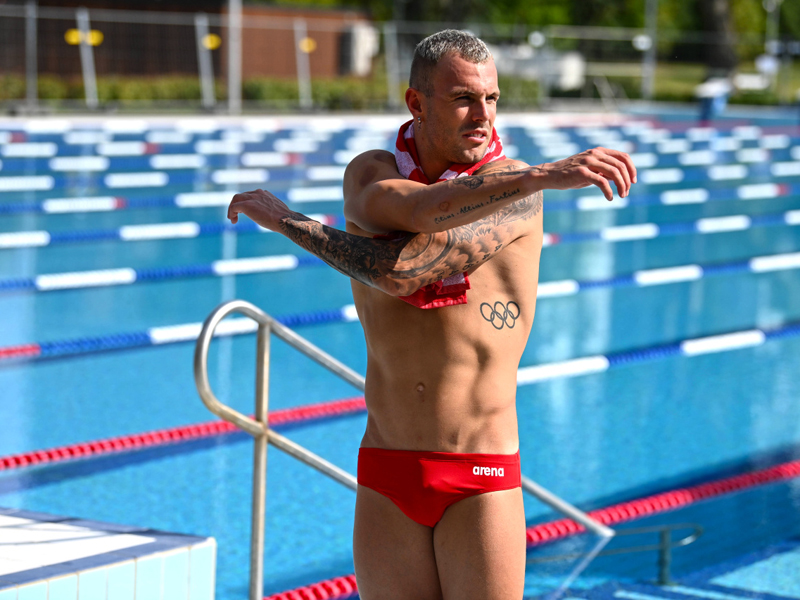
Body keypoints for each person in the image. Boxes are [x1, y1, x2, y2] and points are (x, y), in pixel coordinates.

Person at [228, 29, 636, 600]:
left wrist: (291, 223)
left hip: (479, 472)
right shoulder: (371, 172)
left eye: (492, 99)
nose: (483, 115)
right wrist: (541, 172)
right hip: (386, 470)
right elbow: (410, 227)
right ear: (416, 103)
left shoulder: (511, 188)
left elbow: (408, 268)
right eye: (464, 98)